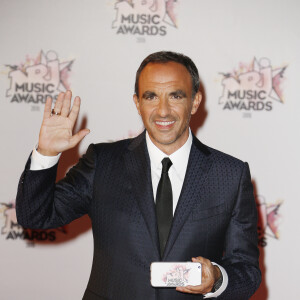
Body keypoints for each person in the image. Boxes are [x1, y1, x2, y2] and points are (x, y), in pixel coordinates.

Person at [16, 51, 261, 300]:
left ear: (195, 101)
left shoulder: (230, 174)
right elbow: (36, 216)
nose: (163, 111)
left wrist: (216, 279)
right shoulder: (103, 162)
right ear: (137, 103)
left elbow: (247, 271)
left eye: (176, 96)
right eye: (151, 96)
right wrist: (46, 154)